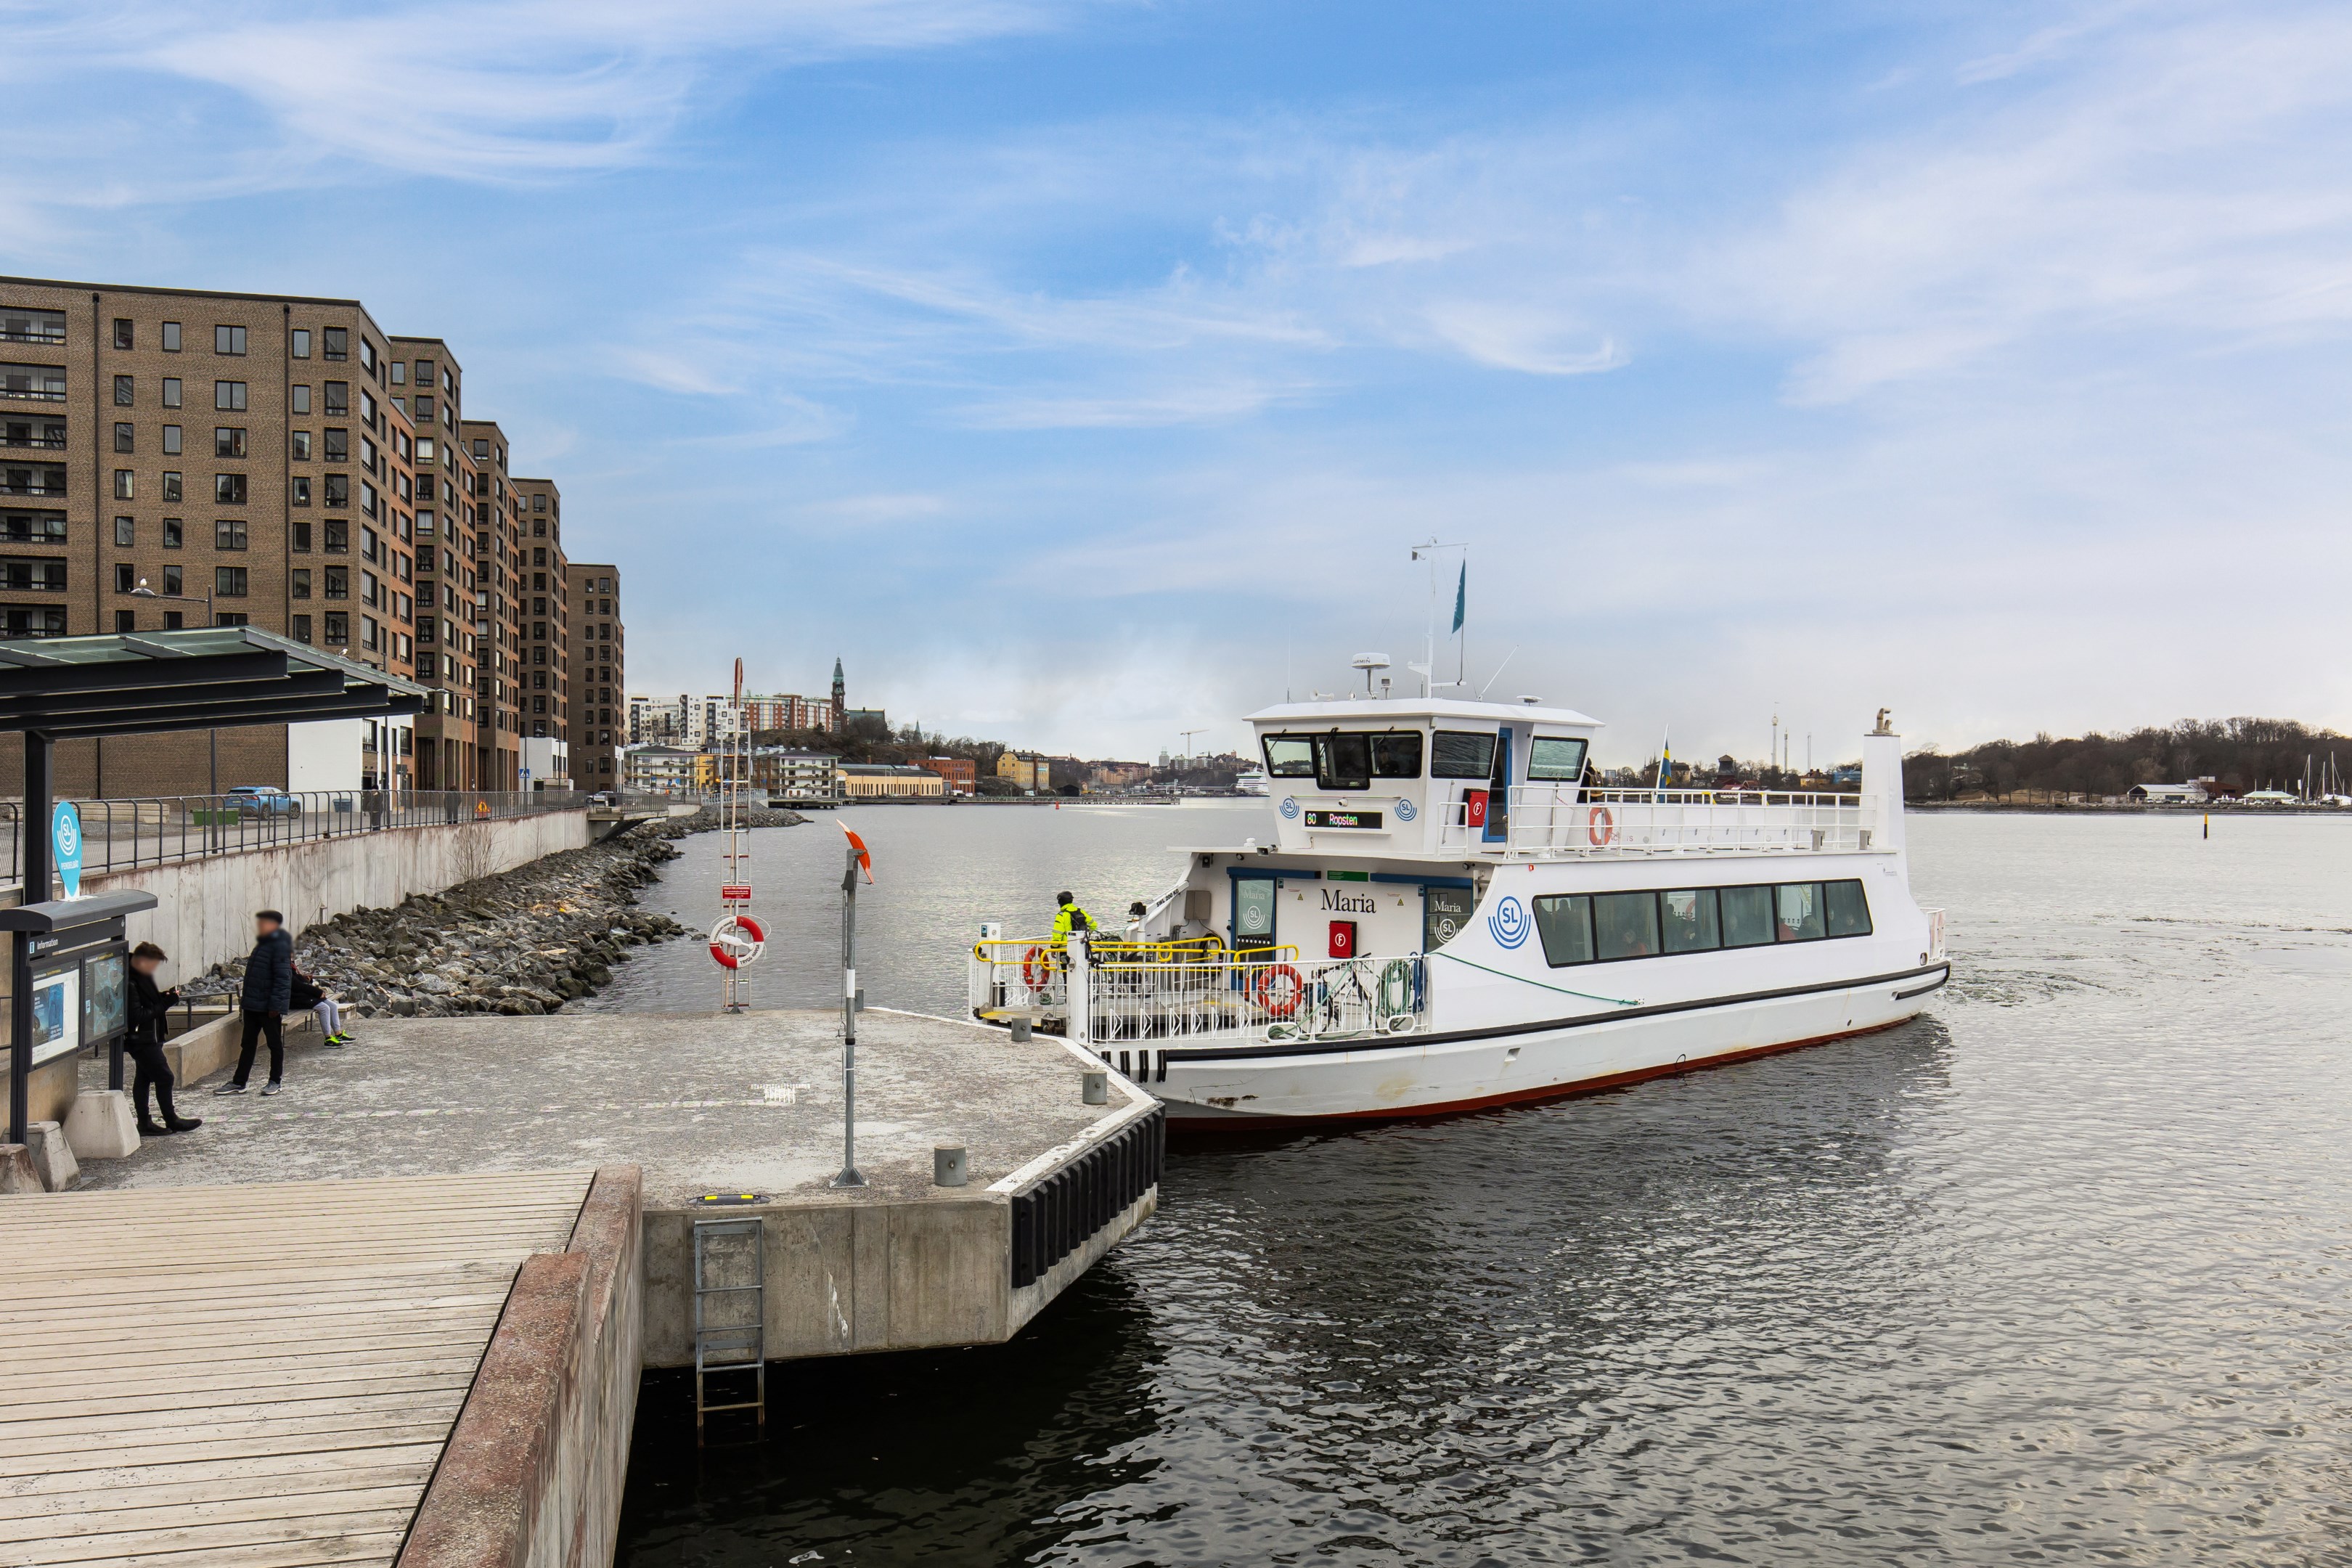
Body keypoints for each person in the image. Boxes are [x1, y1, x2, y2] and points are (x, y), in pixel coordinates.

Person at [125, 942, 200, 1135]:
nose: (155, 969)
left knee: (144, 1077)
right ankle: (170, 1119)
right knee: (165, 1077)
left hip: (150, 1037)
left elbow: (148, 1002)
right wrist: (165, 1004)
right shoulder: (131, 983)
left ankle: (144, 1123)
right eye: (153, 964)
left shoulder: (141, 977)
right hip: (142, 1040)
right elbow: (137, 1016)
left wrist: (164, 996)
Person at [217, 910, 293, 1096]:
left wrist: (275, 1006)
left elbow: (283, 979)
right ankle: (239, 1082)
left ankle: (275, 1081)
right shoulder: (262, 945)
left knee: (274, 1044)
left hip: (268, 1008)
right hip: (252, 1005)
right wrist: (245, 1004)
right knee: (248, 1044)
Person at [289, 963, 353, 1048]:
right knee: (324, 1008)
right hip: (292, 999)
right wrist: (317, 992)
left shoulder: (290, 965)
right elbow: (296, 985)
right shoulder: (282, 965)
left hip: (300, 995)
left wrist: (307, 980)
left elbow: (299, 981)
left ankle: (339, 1034)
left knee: (333, 1006)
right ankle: (328, 1039)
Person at [1048, 891, 1095, 959]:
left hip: (1065, 949)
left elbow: (1057, 934)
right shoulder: (1080, 911)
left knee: (1066, 969)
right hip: (1081, 947)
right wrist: (1086, 934)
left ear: (1060, 902)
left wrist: (1054, 948)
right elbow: (1093, 925)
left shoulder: (1061, 915)